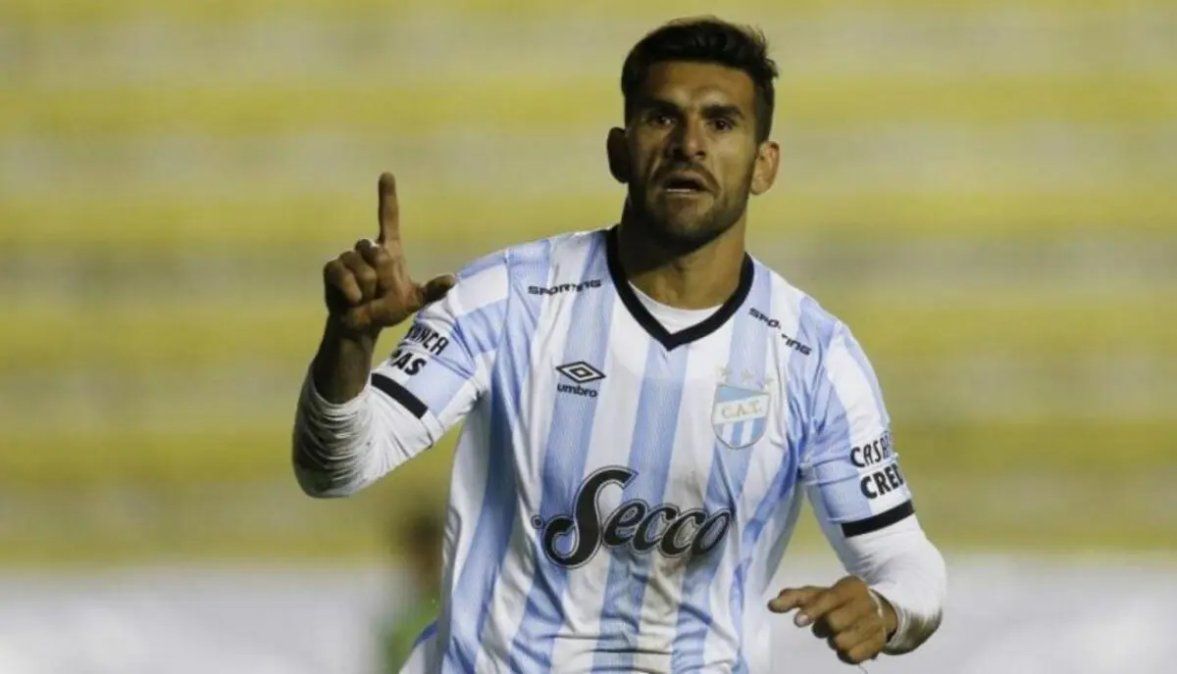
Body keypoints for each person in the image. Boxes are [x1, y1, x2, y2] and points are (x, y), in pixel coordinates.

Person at [293, 16, 946, 673]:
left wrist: (887, 608)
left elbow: (903, 559)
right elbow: (333, 470)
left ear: (763, 164)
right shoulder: (506, 300)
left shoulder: (814, 358)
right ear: (619, 151)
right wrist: (348, 341)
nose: (689, 144)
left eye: (721, 123)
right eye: (662, 118)